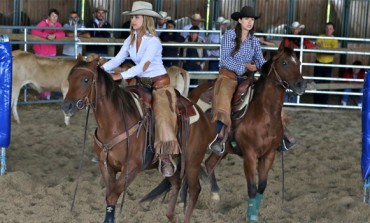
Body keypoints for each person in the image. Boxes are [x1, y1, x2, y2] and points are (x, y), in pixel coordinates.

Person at [101, 1, 179, 178]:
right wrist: (101, 70)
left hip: (159, 85)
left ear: (146, 19)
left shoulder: (154, 42)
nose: (133, 20)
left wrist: (119, 76)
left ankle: (165, 156)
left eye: (137, 17)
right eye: (132, 17)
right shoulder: (130, 39)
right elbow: (117, 59)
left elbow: (143, 66)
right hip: (141, 84)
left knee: (161, 115)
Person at [208, 6, 297, 154]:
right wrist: (245, 66)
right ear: (239, 20)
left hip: (247, 78)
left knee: (266, 99)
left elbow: (260, 61)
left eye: (252, 20)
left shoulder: (254, 41)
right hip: (228, 75)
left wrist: (271, 65)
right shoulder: (230, 35)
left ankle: (280, 133)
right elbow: (225, 59)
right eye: (247, 19)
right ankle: (219, 135)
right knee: (224, 97)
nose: (250, 22)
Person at [31, 8, 65, 100]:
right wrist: (46, 35)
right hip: (41, 51)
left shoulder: (58, 25)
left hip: (51, 52)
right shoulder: (43, 23)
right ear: (49, 16)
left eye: (56, 16)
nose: (54, 18)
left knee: (50, 72)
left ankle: (48, 94)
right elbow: (34, 31)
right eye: (53, 15)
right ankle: (43, 95)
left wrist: (55, 36)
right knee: (42, 72)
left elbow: (62, 33)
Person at [283, 21, 315, 103]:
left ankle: (293, 101)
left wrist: (305, 46)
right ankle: (287, 101)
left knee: (296, 81)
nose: (296, 30)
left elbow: (310, 44)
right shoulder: (288, 38)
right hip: (290, 63)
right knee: (288, 80)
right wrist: (301, 46)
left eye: (297, 29)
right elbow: (286, 47)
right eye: (295, 29)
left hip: (296, 62)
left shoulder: (301, 38)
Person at [313, 22, 339, 104]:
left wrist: (322, 49)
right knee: (317, 82)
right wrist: (327, 50)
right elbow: (316, 47)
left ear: (333, 30)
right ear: (325, 29)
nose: (328, 30)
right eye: (327, 28)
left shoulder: (334, 40)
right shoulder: (320, 37)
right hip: (319, 63)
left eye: (330, 28)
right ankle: (316, 102)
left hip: (328, 64)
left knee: (326, 82)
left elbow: (333, 52)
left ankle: (324, 102)